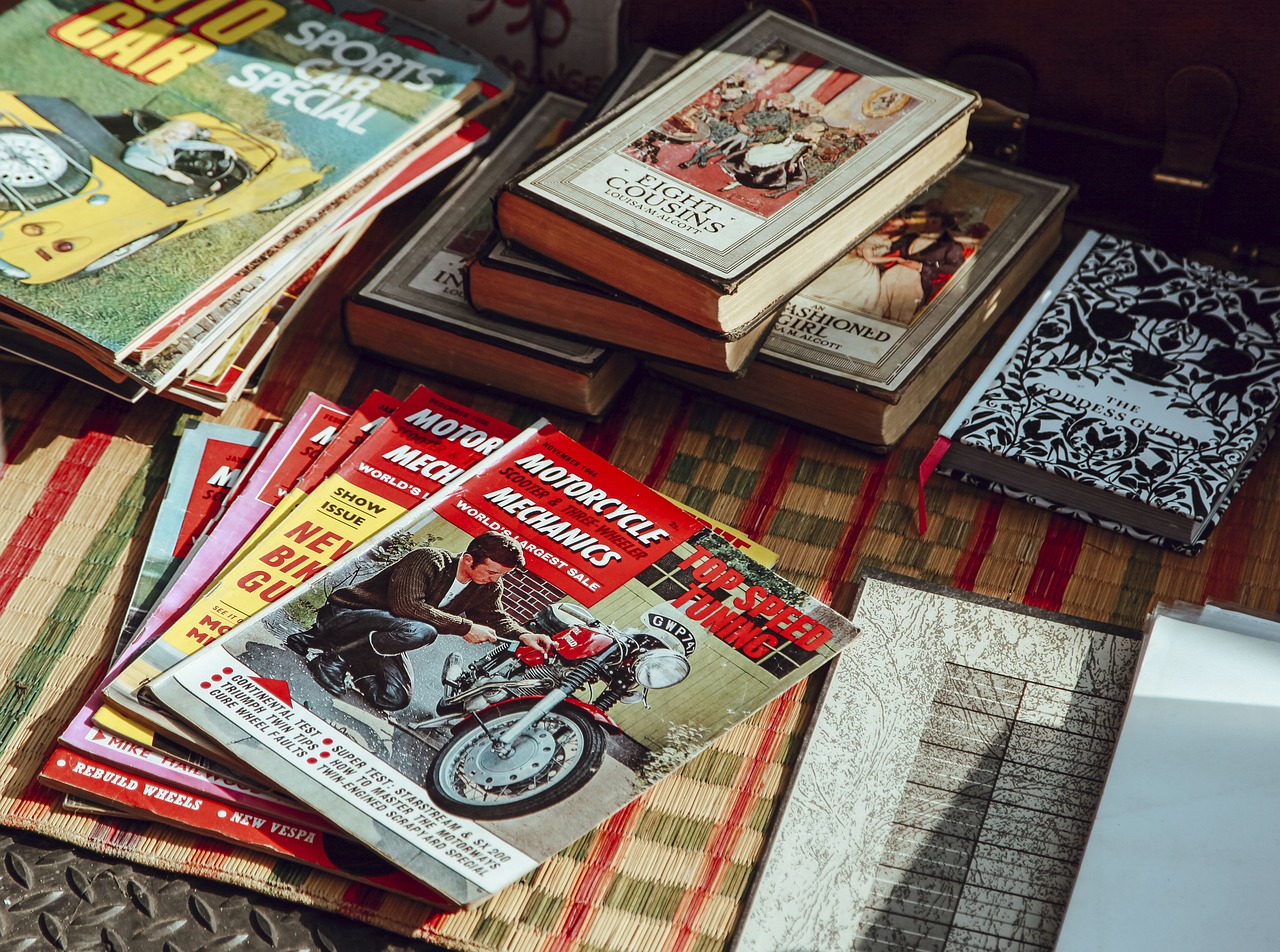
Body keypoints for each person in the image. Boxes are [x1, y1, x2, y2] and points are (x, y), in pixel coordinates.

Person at [286, 531, 554, 712]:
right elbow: (406, 606)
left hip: (383, 637)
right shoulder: (428, 559)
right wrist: (464, 627)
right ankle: (332, 659)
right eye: (492, 572)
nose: (495, 579)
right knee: (422, 631)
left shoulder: (488, 587)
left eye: (501, 575)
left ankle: (346, 654)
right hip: (346, 616)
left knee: (394, 698)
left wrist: (523, 635)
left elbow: (494, 617)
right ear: (469, 560)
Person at [122, 118, 232, 187]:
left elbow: (189, 144)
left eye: (183, 135)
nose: (177, 137)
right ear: (167, 129)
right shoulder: (148, 142)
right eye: (175, 132)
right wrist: (167, 172)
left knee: (213, 185)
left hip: (155, 177)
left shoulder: (169, 141)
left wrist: (222, 148)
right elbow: (130, 159)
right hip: (139, 179)